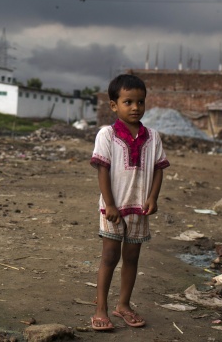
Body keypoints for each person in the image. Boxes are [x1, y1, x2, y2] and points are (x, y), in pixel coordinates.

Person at [89, 74, 169, 332]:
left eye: (140, 102)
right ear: (114, 105)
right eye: (128, 102)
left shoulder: (153, 136)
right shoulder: (107, 135)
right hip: (114, 209)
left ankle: (123, 305)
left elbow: (158, 169)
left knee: (132, 258)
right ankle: (101, 308)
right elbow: (102, 170)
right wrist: (110, 205)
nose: (135, 107)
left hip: (139, 209)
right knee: (109, 258)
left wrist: (152, 198)